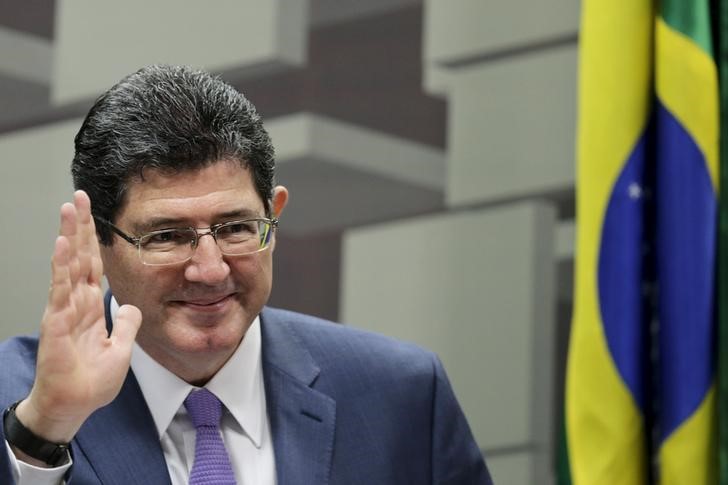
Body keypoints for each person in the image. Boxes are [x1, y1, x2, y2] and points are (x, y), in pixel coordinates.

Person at [0, 65, 492, 484]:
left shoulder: (400, 395)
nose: (210, 270)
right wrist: (44, 432)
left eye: (236, 228)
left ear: (274, 213)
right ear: (99, 240)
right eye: (167, 236)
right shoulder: (22, 399)